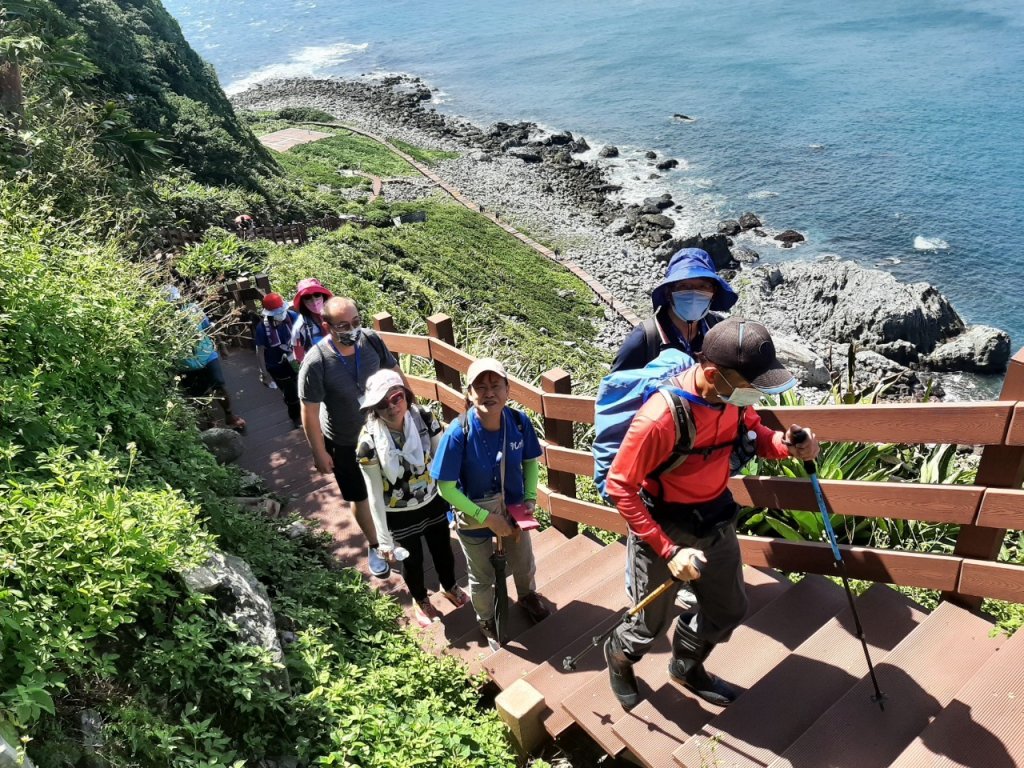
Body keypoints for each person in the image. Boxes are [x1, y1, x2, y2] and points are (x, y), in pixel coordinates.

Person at [603, 317, 820, 710]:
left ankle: (685, 665)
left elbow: (755, 433)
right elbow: (620, 486)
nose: (755, 394)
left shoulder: (733, 399)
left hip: (715, 519)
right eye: (750, 385)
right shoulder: (660, 418)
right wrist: (669, 551)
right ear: (712, 375)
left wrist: (787, 444)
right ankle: (618, 656)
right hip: (663, 527)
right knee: (649, 625)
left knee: (729, 609)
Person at [431, 357, 550, 648]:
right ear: (470, 393)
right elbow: (445, 488)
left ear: (508, 390)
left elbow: (530, 462)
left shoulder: (518, 422)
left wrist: (530, 498)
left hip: (513, 508)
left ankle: (527, 596)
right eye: (481, 387)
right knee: (482, 575)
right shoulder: (459, 433)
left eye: (496, 385)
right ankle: (486, 619)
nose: (489, 393)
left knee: (523, 561)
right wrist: (486, 518)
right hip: (473, 514)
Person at [298, 296, 402, 578]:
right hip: (345, 440)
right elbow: (309, 411)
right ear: (326, 326)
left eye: (356, 322)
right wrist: (319, 451)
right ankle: (376, 545)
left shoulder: (371, 341)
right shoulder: (316, 362)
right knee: (360, 495)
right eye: (343, 325)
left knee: (391, 482)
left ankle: (394, 530)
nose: (352, 329)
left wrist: (409, 412)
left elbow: (394, 374)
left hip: (381, 430)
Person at [356, 369, 470, 626]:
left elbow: (443, 459)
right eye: (382, 403)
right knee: (412, 559)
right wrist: (383, 540)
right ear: (373, 408)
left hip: (432, 500)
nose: (391, 407)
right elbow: (373, 493)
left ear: (406, 395)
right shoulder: (368, 443)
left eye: (396, 398)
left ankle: (450, 586)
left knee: (443, 550)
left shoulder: (424, 418)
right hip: (398, 511)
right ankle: (421, 599)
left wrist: (456, 501)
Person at [611, 247, 738, 372]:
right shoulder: (644, 339)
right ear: (668, 293)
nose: (694, 293)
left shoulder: (719, 329)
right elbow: (616, 384)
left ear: (714, 292)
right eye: (684, 286)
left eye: (703, 286)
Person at [164, 285, 246, 431]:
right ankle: (210, 421)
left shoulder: (193, 309)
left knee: (219, 384)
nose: (176, 305)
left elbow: (208, 327)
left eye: (177, 301)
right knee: (198, 394)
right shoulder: (164, 320)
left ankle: (229, 415)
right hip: (185, 362)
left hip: (206, 354)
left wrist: (221, 345)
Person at [253, 292, 301, 429]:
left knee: (303, 386)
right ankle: (295, 417)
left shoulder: (292, 317)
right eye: (276, 312)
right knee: (291, 393)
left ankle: (307, 412)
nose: (280, 314)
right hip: (276, 365)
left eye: (281, 311)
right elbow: (260, 352)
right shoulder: (262, 329)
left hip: (296, 359)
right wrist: (264, 373)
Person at [291, 277, 333, 362]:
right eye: (307, 297)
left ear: (323, 296)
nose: (313, 300)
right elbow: (300, 358)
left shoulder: (334, 315)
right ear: (302, 302)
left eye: (317, 294)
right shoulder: (300, 328)